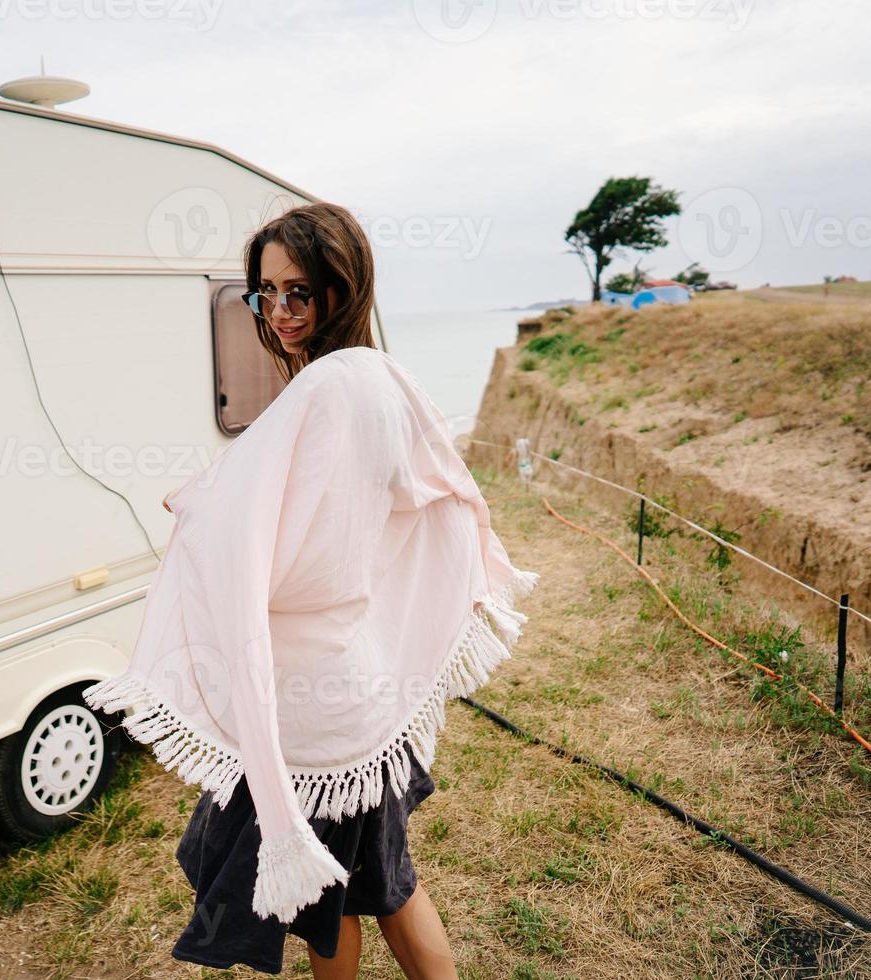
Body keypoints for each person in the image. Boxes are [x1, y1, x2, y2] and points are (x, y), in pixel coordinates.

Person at [85, 202, 539, 978]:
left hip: (318, 710)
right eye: (266, 293)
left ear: (343, 285)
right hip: (360, 689)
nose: (282, 312)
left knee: (333, 913)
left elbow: (281, 546)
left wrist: (201, 512)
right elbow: (438, 491)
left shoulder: (323, 389)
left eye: (301, 291)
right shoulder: (385, 376)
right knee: (386, 886)